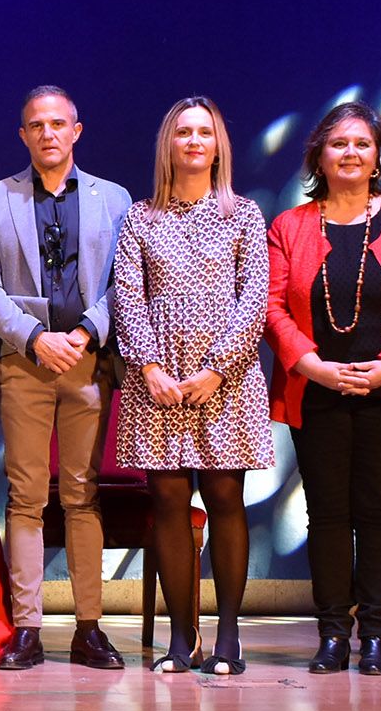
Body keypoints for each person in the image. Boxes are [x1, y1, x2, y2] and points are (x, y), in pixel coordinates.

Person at [267, 100, 381, 676]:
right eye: (338, 143)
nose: (350, 153)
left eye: (362, 144)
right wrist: (311, 364)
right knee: (325, 516)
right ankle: (331, 635)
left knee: (378, 514)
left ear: (376, 158)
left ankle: (376, 633)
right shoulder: (290, 226)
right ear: (319, 157)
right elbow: (270, 308)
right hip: (316, 392)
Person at [0, 85, 134, 670]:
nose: (47, 133)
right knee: (25, 496)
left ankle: (89, 627)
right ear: (23, 134)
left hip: (88, 359)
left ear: (77, 130)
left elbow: (127, 280)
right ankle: (27, 628)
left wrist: (86, 332)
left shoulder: (113, 198)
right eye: (36, 124)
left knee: (82, 494)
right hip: (24, 363)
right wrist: (35, 338)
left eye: (57, 123)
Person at [113, 97, 272, 674]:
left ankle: (227, 634)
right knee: (170, 502)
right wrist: (151, 367)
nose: (194, 141)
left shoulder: (244, 215)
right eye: (184, 131)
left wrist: (217, 369)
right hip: (159, 380)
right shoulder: (140, 216)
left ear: (218, 144)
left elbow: (255, 296)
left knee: (226, 497)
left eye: (205, 132)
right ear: (169, 143)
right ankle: (183, 638)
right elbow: (127, 296)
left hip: (223, 378)